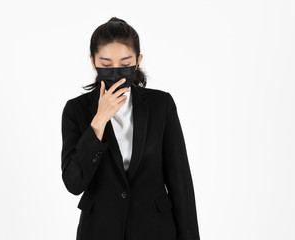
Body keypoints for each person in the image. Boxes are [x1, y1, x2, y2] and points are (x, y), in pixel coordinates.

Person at [61, 17, 201, 240]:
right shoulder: (75, 110)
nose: (116, 72)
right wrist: (98, 121)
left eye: (125, 64)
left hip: (156, 230)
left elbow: (180, 182)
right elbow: (73, 183)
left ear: (137, 61)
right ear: (93, 61)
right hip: (99, 230)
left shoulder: (161, 105)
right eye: (106, 65)